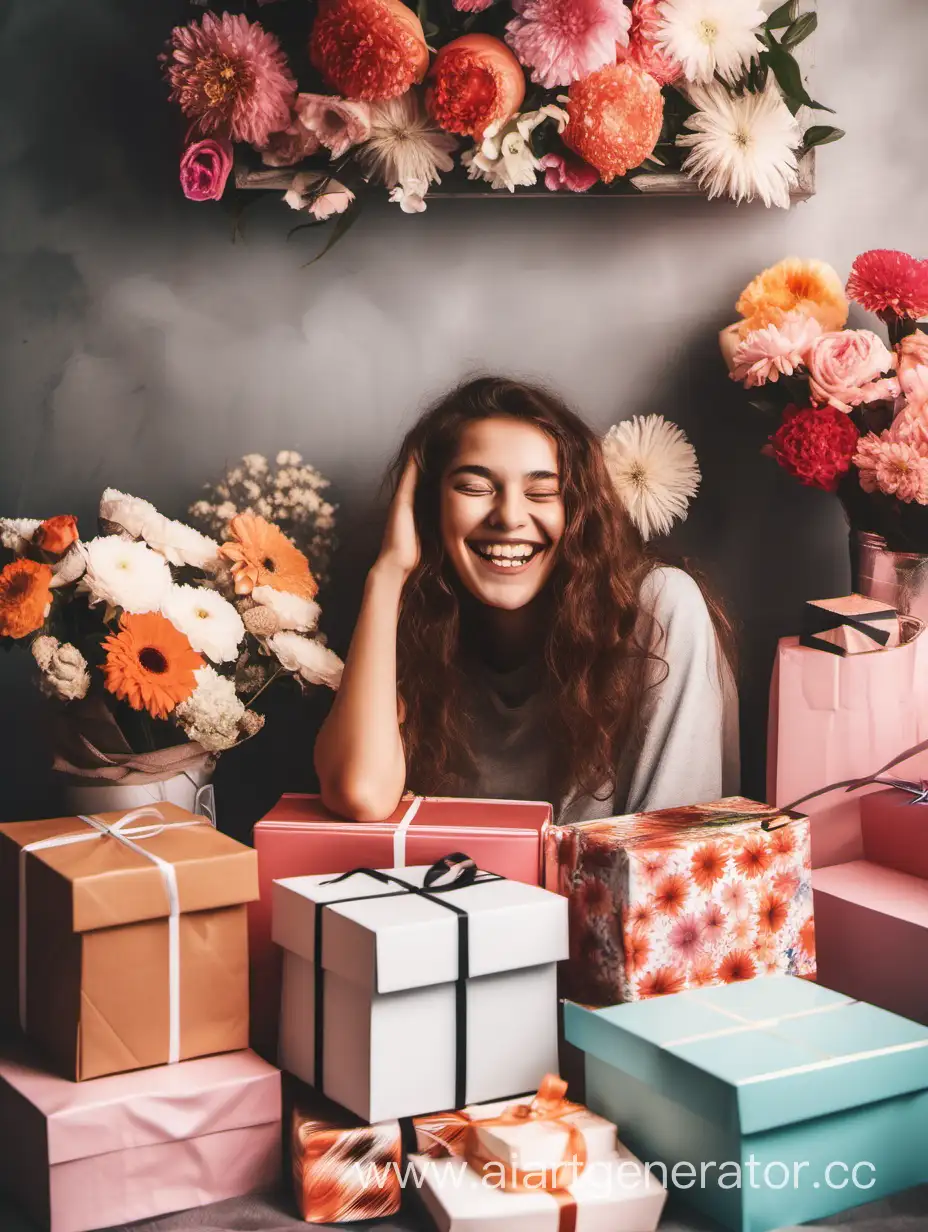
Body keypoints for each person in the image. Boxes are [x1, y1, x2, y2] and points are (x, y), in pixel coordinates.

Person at [315, 376, 739, 824]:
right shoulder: (415, 619)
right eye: (475, 488)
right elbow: (360, 794)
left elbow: (674, 849)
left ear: (578, 511)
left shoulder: (657, 608)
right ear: (428, 507)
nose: (510, 517)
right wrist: (387, 574)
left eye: (542, 492)